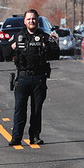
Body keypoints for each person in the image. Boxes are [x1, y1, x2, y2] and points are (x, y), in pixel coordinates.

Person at [9, 9, 53, 146]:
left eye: (33, 19)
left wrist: (47, 47)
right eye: (28, 19)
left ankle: (34, 136)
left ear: (37, 20)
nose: (31, 21)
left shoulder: (44, 36)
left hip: (39, 78)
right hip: (22, 78)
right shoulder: (18, 36)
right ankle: (16, 137)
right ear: (24, 21)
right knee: (19, 109)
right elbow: (2, 52)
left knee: (36, 110)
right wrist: (11, 47)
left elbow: (56, 51)